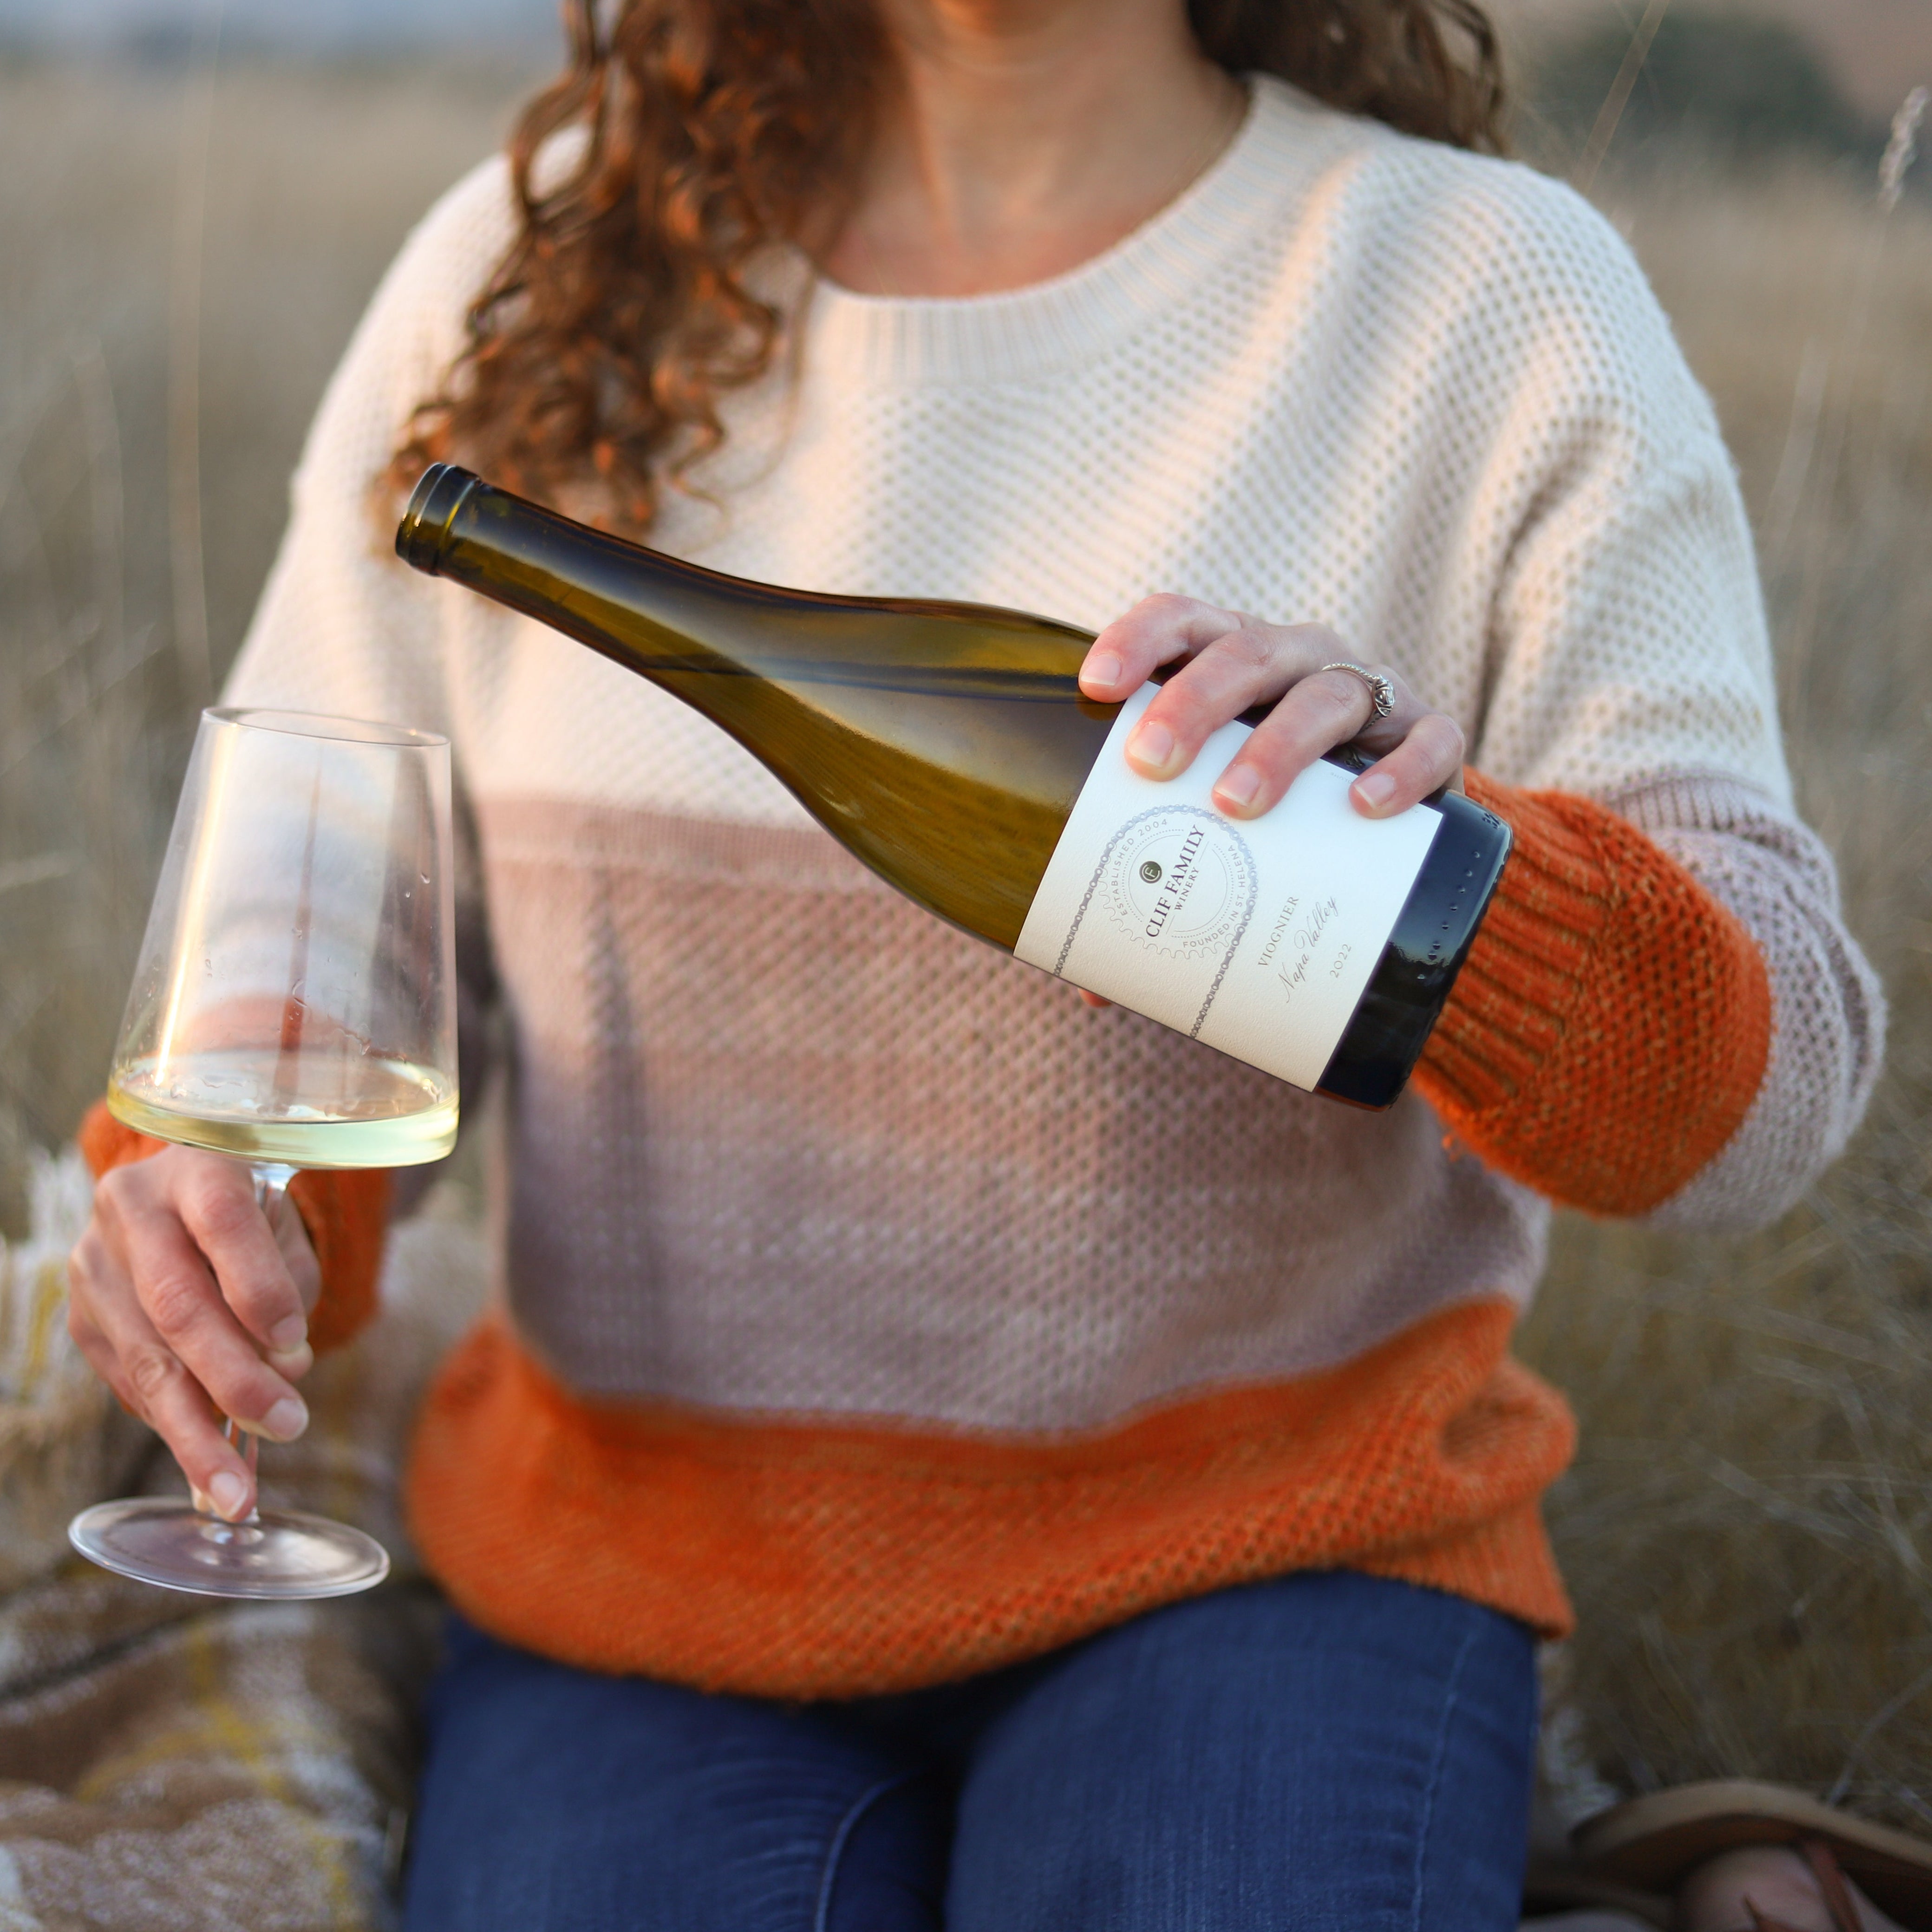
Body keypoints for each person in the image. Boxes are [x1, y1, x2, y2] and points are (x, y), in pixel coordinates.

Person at [66, 0, 1885, 1925]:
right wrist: (231, 1195)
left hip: (1278, 1566)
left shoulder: (1485, 295)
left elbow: (1762, 1109)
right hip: (643, 1594)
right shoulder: (537, 276)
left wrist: (1438, 880)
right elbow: (306, 914)